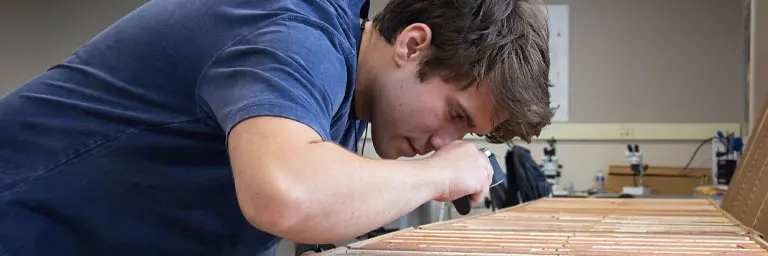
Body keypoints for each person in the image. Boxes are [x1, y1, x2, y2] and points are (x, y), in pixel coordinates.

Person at [0, 0, 553, 255]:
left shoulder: (345, 97)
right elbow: (286, 196)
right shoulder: (294, 35)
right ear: (412, 44)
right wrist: (439, 173)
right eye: (456, 115)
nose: (445, 142)